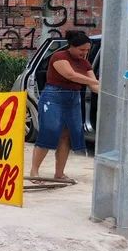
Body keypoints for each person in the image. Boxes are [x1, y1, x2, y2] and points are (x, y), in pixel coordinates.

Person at [30, 30, 100, 183]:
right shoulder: (59, 56)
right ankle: (34, 172)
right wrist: (96, 82)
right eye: (81, 50)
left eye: (87, 50)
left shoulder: (85, 63)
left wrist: (107, 90)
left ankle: (59, 173)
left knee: (66, 136)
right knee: (48, 132)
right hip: (53, 97)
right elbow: (70, 75)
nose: (85, 53)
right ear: (71, 46)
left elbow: (94, 86)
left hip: (73, 100)